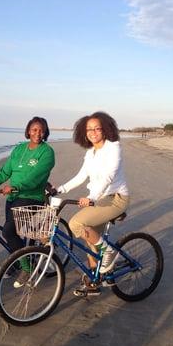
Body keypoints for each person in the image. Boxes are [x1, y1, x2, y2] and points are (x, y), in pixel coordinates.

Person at [0, 117, 55, 287]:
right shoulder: (19, 149)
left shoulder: (47, 152)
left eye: (41, 130)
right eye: (34, 129)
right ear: (28, 131)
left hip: (31, 198)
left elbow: (36, 177)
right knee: (13, 233)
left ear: (45, 132)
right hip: (13, 197)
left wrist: (17, 186)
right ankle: (18, 261)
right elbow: (4, 172)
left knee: (8, 231)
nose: (37, 133)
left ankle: (27, 268)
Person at [57, 111, 129, 297]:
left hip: (115, 198)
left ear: (105, 129)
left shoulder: (113, 147)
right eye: (89, 129)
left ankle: (110, 253)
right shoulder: (91, 152)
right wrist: (60, 189)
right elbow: (82, 176)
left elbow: (108, 176)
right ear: (84, 132)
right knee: (91, 239)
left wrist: (93, 197)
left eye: (97, 128)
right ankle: (96, 280)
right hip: (98, 198)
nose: (93, 132)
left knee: (76, 224)